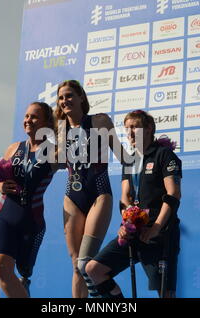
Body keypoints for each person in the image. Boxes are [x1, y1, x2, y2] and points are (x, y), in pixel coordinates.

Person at [86, 109, 182, 298]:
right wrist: (125, 224)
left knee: (165, 293)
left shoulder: (164, 155)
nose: (129, 132)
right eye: (127, 128)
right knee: (93, 269)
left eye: (135, 127)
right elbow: (125, 198)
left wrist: (155, 227)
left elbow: (174, 194)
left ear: (148, 129)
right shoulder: (129, 161)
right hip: (134, 232)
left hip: (159, 234)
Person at [55, 80, 129, 298]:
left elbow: (123, 157)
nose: (64, 101)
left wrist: (149, 151)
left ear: (81, 98)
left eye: (69, 96)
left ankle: (112, 299)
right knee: (75, 263)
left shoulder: (100, 121)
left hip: (99, 193)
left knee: (85, 260)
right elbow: (56, 163)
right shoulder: (61, 129)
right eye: (60, 98)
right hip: (72, 197)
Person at [0, 102, 56, 298]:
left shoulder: (53, 151)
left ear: (46, 122)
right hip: (5, 216)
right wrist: (1, 186)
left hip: (31, 223)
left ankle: (24, 284)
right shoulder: (13, 148)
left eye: (34, 117)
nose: (28, 120)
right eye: (26, 116)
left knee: (25, 272)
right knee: (0, 266)